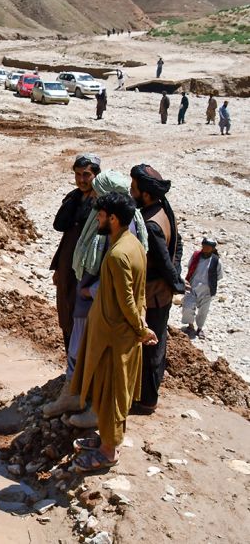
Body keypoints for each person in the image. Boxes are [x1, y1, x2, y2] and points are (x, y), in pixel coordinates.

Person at [46, 171, 148, 423]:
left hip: (102, 302)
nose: (91, 196)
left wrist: (90, 291)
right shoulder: (100, 218)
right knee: (78, 349)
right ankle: (74, 394)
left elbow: (118, 276)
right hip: (88, 298)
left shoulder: (124, 228)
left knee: (101, 356)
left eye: (97, 192)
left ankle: (97, 409)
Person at [68, 194, 156, 473]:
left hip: (116, 338)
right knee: (109, 390)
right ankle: (106, 440)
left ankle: (108, 451)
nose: (98, 219)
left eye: (102, 215)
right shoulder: (131, 244)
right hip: (114, 334)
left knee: (111, 394)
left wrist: (142, 329)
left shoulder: (118, 254)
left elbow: (127, 300)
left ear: (114, 219)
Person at [129, 164, 184, 415]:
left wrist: (175, 282)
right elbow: (178, 244)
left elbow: (162, 261)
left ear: (146, 194)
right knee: (157, 342)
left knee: (150, 345)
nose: (131, 192)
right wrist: (176, 276)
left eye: (134, 188)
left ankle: (147, 400)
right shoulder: (163, 208)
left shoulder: (151, 223)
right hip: (161, 292)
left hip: (153, 295)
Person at [50, 154, 101, 352]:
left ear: (96, 175)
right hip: (67, 268)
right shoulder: (75, 198)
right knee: (66, 314)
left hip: (86, 271)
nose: (81, 179)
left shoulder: (101, 204)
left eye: (86, 175)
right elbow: (63, 231)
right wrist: (57, 268)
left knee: (83, 319)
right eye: (78, 174)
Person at [182, 237, 224, 339]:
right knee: (187, 306)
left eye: (208, 247)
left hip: (207, 290)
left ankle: (200, 328)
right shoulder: (196, 255)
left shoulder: (216, 261)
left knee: (203, 311)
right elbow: (189, 266)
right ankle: (190, 326)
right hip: (192, 287)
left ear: (213, 249)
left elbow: (219, 276)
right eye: (204, 246)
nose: (205, 248)